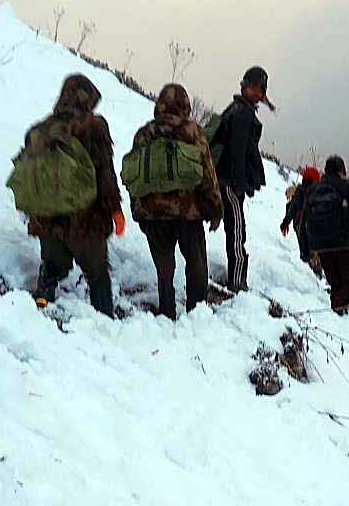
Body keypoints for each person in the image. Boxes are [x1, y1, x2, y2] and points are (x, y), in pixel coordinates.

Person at [21, 74, 123, 316]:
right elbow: (105, 174)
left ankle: (42, 306)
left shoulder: (40, 130)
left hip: (47, 220)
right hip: (85, 221)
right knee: (97, 275)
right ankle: (104, 321)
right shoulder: (94, 127)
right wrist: (115, 209)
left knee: (51, 267)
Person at [127, 84, 222, 319]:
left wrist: (138, 210)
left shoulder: (144, 134)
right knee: (196, 264)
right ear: (185, 106)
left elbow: (134, 175)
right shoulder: (192, 132)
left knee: (164, 268)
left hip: (153, 214)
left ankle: (166, 311)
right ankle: (197, 312)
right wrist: (215, 208)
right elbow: (207, 174)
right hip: (188, 214)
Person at [209, 65, 272, 292]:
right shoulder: (242, 113)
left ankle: (237, 279)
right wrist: (237, 185)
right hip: (229, 182)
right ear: (245, 86)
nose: (256, 92)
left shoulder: (236, 108)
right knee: (236, 231)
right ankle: (237, 282)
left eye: (260, 88)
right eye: (253, 87)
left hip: (224, 179)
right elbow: (237, 150)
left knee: (235, 229)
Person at [304, 156, 349, 313]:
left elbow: (306, 216)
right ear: (341, 169)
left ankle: (337, 314)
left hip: (321, 244)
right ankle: (338, 310)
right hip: (345, 242)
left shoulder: (314, 189)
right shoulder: (347, 185)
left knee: (335, 282)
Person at [280, 166, 322, 262]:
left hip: (301, 227)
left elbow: (292, 209)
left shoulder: (300, 191)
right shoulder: (319, 194)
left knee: (305, 254)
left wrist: (285, 223)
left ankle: (307, 262)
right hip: (316, 233)